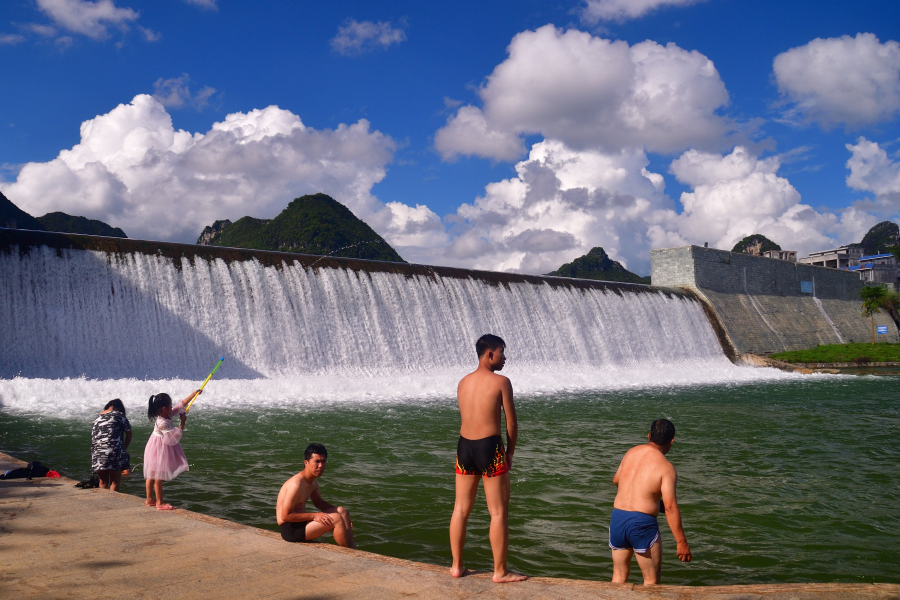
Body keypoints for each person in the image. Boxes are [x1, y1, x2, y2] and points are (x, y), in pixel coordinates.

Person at [449, 334, 527, 583]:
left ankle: (456, 567)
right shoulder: (501, 382)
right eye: (502, 352)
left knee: (460, 510)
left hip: (464, 448)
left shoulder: (463, 382)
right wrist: (510, 452)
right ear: (489, 354)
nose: (505, 358)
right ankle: (500, 572)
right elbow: (512, 424)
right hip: (490, 448)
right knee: (498, 512)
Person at [609, 419, 692, 585]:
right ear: (671, 441)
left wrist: (646, 498)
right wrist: (681, 542)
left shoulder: (631, 452)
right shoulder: (666, 467)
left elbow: (616, 480)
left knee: (618, 578)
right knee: (651, 582)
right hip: (641, 524)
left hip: (618, 518)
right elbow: (670, 507)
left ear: (649, 436)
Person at [275, 443, 356, 548]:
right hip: (290, 529)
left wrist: (345, 516)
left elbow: (318, 502)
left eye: (323, 461)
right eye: (317, 462)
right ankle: (350, 553)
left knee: (342, 511)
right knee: (336, 518)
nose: (321, 466)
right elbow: (285, 516)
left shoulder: (313, 483)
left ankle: (353, 549)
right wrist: (314, 515)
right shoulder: (296, 485)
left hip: (301, 523)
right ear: (306, 463)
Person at [143, 390, 200, 510]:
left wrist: (194, 394)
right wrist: (182, 423)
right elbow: (173, 438)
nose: (172, 407)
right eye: (170, 405)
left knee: (151, 474)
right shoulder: (162, 422)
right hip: (159, 447)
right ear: (164, 408)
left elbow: (181, 405)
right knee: (158, 476)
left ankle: (149, 499)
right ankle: (160, 502)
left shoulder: (165, 413)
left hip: (154, 445)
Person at [91, 399, 132, 492]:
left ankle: (102, 504)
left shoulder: (97, 418)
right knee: (115, 481)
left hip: (97, 453)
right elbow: (129, 433)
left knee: (102, 481)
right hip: (113, 451)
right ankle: (112, 503)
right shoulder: (119, 415)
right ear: (120, 408)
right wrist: (123, 449)